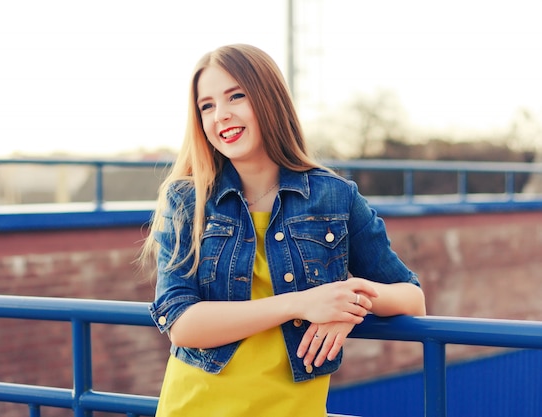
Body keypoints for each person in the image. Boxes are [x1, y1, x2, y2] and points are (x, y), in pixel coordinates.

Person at [139, 43, 426, 416]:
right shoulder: (187, 199)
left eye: (235, 97)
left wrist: (346, 302)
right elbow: (181, 322)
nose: (220, 115)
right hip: (195, 405)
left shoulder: (335, 197)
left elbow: (412, 299)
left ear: (268, 99)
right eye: (206, 106)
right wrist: (302, 303)